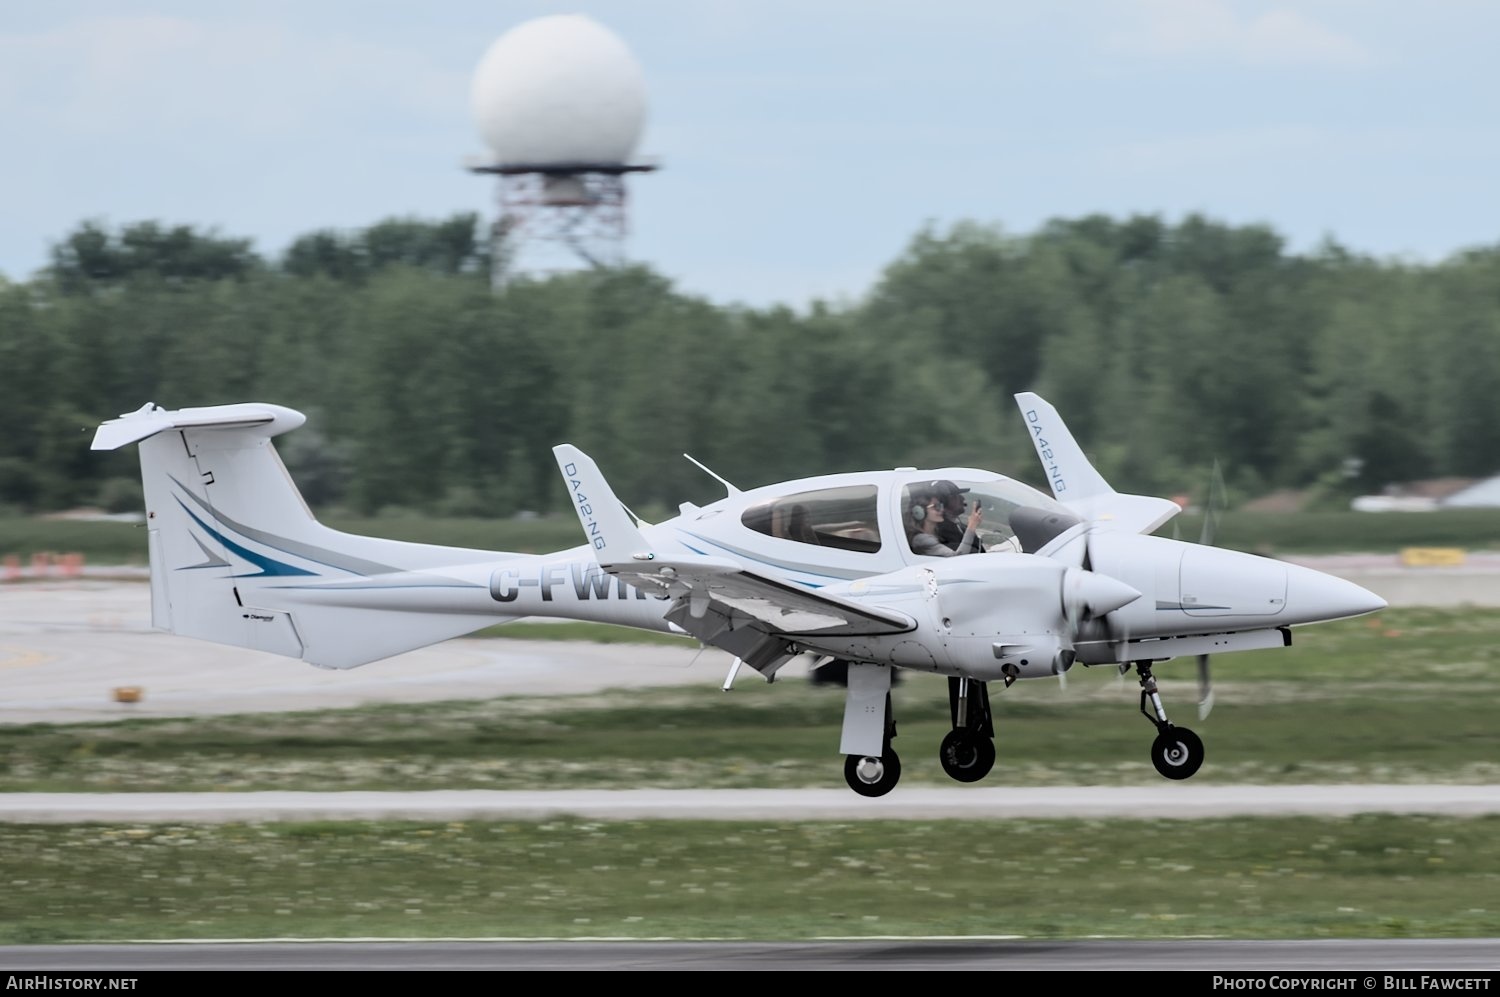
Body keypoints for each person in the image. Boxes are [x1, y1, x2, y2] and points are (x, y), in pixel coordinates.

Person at [906, 483, 982, 557]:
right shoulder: (922, 539)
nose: (941, 509)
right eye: (936, 506)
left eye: (940, 505)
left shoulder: (935, 534)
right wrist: (971, 526)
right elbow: (958, 557)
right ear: (919, 512)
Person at [932, 480, 985, 553]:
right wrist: (972, 526)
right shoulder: (938, 531)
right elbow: (959, 556)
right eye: (955, 496)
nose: (962, 498)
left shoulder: (961, 527)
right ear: (943, 502)